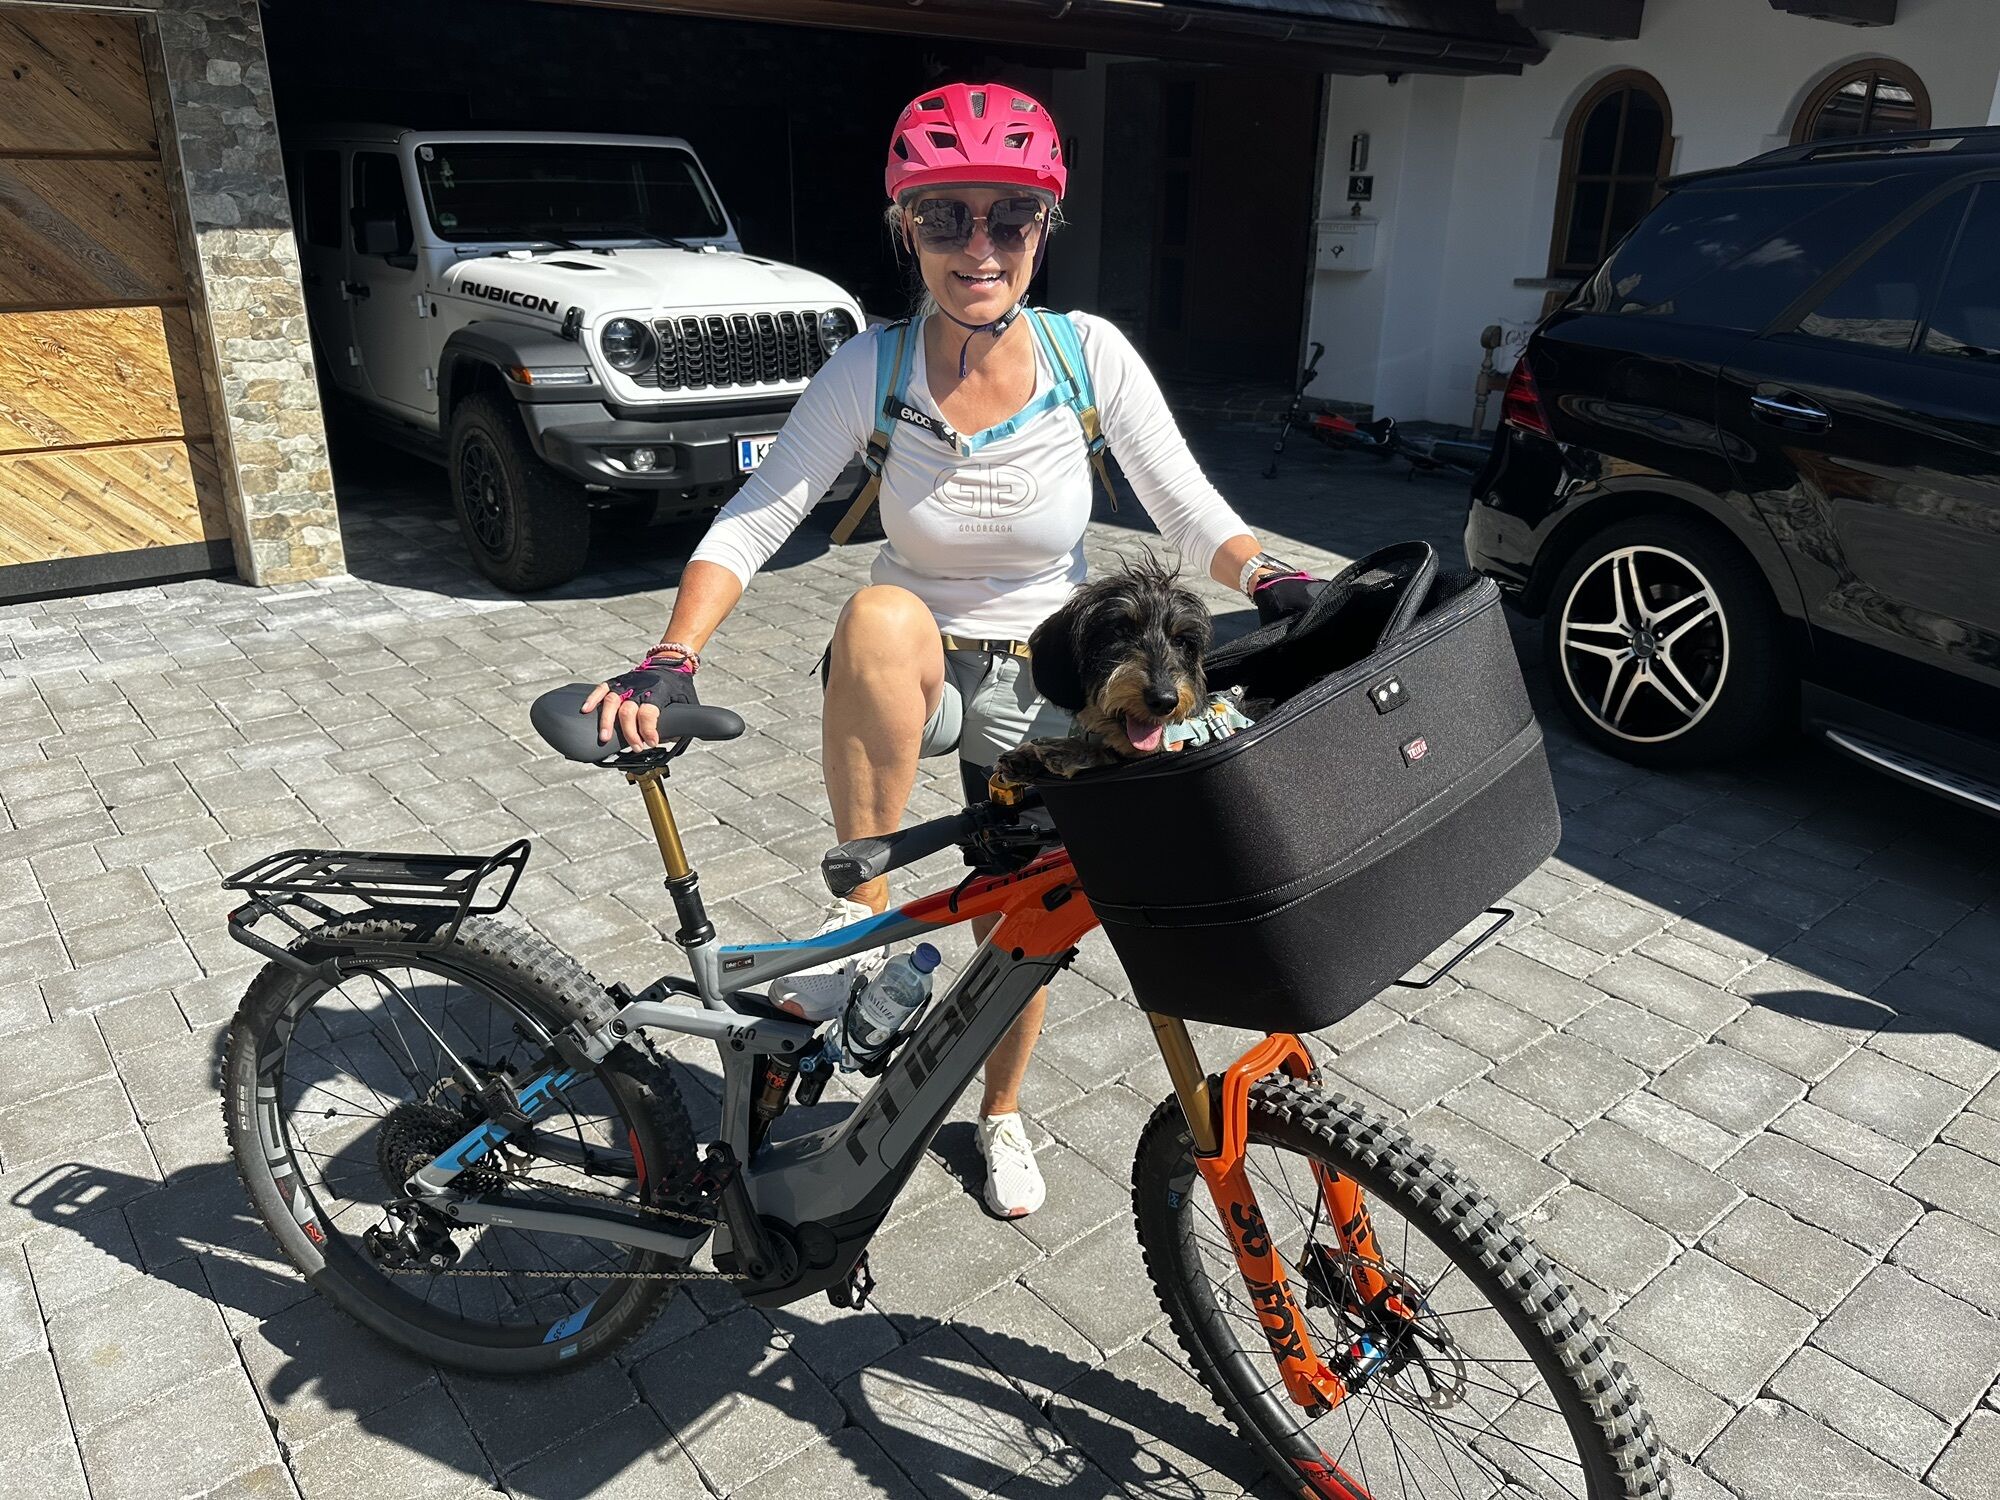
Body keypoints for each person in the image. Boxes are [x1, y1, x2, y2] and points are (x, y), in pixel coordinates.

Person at [583, 82, 1314, 1218]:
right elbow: (759, 513)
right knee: (877, 610)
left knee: (1026, 908)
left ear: (1043, 229)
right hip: (910, 671)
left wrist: (1269, 577)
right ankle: (856, 927)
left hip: (1053, 675)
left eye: (1010, 218)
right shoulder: (871, 369)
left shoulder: (1086, 356)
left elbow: (1184, 505)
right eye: (945, 219)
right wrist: (671, 654)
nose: (979, 247)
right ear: (906, 230)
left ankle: (1001, 1114)